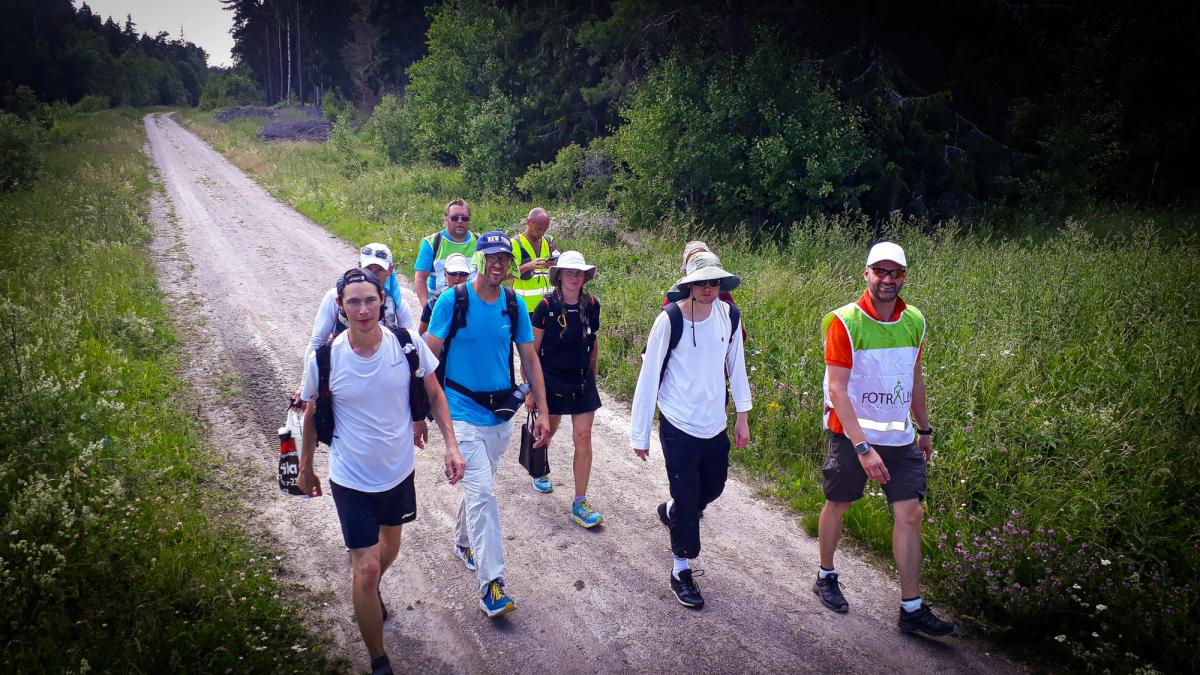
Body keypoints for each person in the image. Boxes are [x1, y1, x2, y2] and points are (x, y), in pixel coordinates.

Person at [297, 268, 466, 675]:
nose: (362, 308)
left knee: (390, 549)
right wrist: (306, 467)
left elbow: (434, 392)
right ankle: (379, 659)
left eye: (369, 300)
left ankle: (367, 589)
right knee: (368, 565)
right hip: (350, 478)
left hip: (398, 472)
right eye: (353, 301)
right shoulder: (324, 358)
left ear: (383, 302)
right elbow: (309, 415)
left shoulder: (406, 345)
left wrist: (451, 443)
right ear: (340, 307)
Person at [813, 241, 956, 637]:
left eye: (895, 273)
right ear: (867, 274)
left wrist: (924, 430)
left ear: (904, 276)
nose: (887, 279)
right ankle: (826, 574)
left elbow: (914, 377)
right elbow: (837, 391)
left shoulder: (914, 320)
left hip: (900, 437)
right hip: (851, 434)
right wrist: (863, 448)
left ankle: (911, 608)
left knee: (911, 514)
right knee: (838, 503)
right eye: (880, 271)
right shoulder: (845, 321)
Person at [423, 230, 551, 618]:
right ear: (479, 259)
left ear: (510, 264)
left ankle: (462, 540)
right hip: (460, 411)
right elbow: (425, 359)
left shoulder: (512, 304)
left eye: (504, 259)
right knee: (483, 495)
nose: (498, 264)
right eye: (491, 257)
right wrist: (421, 413)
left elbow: (529, 358)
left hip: (500, 416)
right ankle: (492, 584)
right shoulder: (452, 300)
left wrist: (542, 410)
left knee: (480, 489)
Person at [631, 251, 752, 610]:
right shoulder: (669, 320)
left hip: (714, 421)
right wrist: (640, 434)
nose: (708, 288)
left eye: (714, 282)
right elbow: (649, 376)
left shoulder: (729, 315)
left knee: (713, 487)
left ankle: (672, 511)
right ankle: (681, 569)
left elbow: (737, 367)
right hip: (678, 421)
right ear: (688, 284)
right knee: (687, 495)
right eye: (701, 282)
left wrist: (742, 416)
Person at [529, 251, 604, 525]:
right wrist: (530, 391)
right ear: (559, 275)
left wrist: (592, 376)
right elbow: (532, 352)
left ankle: (580, 503)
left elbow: (592, 342)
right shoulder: (545, 306)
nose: (575, 277)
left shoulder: (592, 305)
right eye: (570, 272)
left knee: (583, 437)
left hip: (582, 380)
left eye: (579, 272)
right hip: (550, 380)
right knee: (550, 428)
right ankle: (539, 469)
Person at [292, 242, 415, 406]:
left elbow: (412, 344)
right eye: (369, 269)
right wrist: (305, 384)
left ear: (390, 270)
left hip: (383, 372)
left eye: (379, 270)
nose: (374, 274)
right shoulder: (334, 298)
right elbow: (317, 340)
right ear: (359, 267)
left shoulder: (398, 304)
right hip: (341, 369)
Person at [414, 199, 478, 333]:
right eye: (455, 218)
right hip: (440, 307)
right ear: (446, 219)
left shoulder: (479, 241)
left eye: (464, 218)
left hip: (472, 308)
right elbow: (420, 279)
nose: (460, 221)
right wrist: (428, 309)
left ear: (469, 220)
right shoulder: (431, 243)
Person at [510, 207, 559, 317]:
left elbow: (560, 272)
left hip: (548, 305)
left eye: (545, 229)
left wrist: (554, 266)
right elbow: (506, 275)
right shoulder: (515, 244)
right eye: (538, 229)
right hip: (524, 308)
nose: (541, 233)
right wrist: (528, 266)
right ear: (528, 223)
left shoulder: (550, 241)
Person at [417, 253, 471, 335]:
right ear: (445, 273)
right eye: (453, 273)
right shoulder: (433, 304)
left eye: (463, 273)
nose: (457, 278)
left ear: (468, 275)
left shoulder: (476, 300)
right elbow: (421, 335)